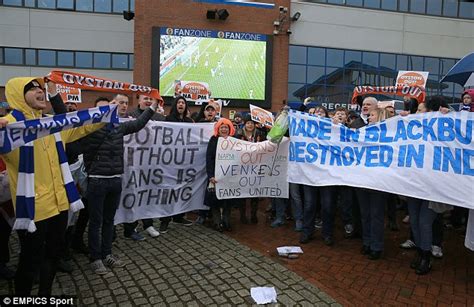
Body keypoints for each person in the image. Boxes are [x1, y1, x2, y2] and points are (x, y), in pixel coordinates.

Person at [0, 77, 107, 295]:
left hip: (60, 204)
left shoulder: (52, 123)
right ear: (18, 95)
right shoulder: (10, 126)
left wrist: (108, 113)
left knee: (52, 255)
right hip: (33, 210)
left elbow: (83, 126)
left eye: (41, 88)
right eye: (33, 89)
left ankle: (45, 297)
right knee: (30, 262)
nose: (41, 91)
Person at [82, 96, 159, 275]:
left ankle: (107, 253)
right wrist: (54, 95)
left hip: (115, 180)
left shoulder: (118, 127)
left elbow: (138, 124)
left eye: (107, 108)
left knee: (110, 221)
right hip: (97, 180)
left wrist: (153, 106)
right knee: (96, 222)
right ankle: (95, 258)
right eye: (100, 109)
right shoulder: (87, 129)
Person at [122, 94, 163, 241]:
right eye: (145, 98)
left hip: (150, 164)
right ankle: (130, 227)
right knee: (133, 194)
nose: (147, 100)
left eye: (150, 99)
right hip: (133, 164)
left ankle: (148, 223)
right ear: (138, 100)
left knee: (147, 194)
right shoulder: (129, 116)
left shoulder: (159, 118)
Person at [159, 96, 194, 234]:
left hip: (184, 161)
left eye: (183, 103)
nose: (181, 105)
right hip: (170, 162)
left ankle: (179, 216)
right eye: (179, 102)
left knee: (181, 190)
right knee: (169, 191)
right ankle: (165, 220)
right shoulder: (168, 120)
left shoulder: (189, 121)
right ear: (175, 105)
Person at [359, 107, 389, 260]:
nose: (368, 117)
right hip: (363, 180)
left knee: (376, 215)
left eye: (371, 115)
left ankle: (376, 246)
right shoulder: (362, 131)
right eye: (368, 115)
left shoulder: (388, 134)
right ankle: (367, 242)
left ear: (380, 116)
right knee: (365, 214)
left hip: (378, 182)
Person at [206, 118, 236, 231]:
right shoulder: (213, 140)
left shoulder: (234, 140)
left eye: (226, 127)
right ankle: (217, 222)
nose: (224, 129)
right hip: (215, 175)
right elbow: (209, 158)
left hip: (229, 176)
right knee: (215, 201)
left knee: (228, 200)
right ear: (218, 129)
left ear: (230, 129)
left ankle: (226, 221)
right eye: (222, 127)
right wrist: (210, 175)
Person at [235, 115, 265, 224]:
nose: (250, 125)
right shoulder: (238, 134)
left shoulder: (260, 134)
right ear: (245, 124)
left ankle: (253, 215)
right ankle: (243, 215)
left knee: (254, 193)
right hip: (242, 167)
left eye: (252, 123)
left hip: (255, 167)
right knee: (242, 193)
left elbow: (265, 146)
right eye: (248, 123)